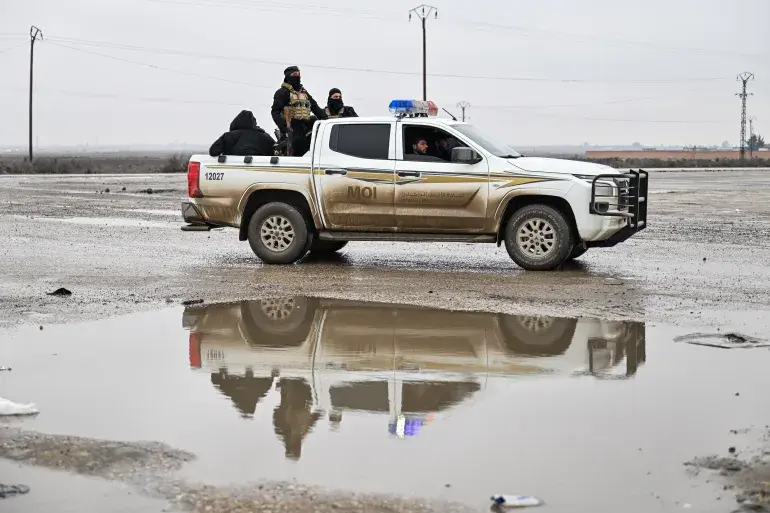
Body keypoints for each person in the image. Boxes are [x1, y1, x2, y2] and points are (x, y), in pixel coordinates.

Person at [270, 66, 326, 156]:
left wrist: (325, 118)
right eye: (295, 74)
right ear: (288, 76)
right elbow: (275, 111)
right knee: (298, 145)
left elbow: (314, 107)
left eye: (298, 74)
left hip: (304, 125)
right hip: (292, 126)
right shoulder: (282, 92)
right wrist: (284, 127)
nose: (297, 76)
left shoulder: (303, 92)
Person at [208, 110, 275, 157]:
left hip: (231, 170)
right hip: (261, 172)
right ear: (254, 123)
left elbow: (213, 151)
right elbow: (276, 152)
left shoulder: (229, 136)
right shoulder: (265, 137)